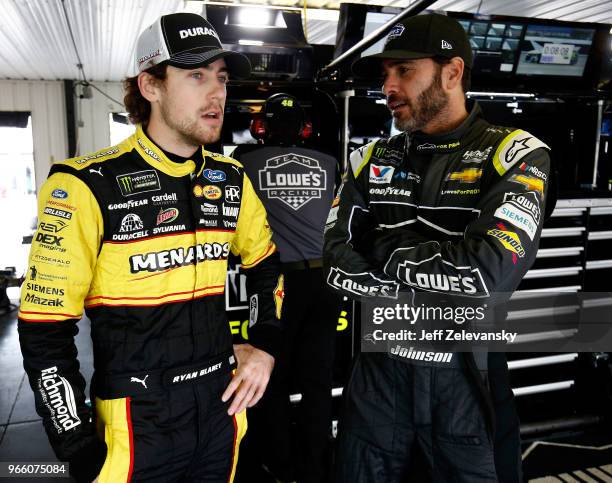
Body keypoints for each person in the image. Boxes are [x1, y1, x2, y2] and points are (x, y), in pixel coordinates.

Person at [18, 13, 284, 483]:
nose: (217, 93)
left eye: (221, 77)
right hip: (135, 425)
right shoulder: (84, 185)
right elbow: (44, 331)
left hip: (222, 411)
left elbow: (267, 268)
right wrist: (75, 443)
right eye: (196, 76)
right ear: (150, 86)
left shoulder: (230, 178)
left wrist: (262, 345)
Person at [324, 13, 553, 482]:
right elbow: (334, 262)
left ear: (452, 73)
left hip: (468, 381)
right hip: (377, 383)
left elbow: (484, 274)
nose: (387, 85)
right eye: (386, 72)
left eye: (404, 70)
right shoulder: (370, 159)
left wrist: (383, 248)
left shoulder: (515, 153)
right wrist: (433, 264)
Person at [233, 94, 341, 483]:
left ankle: (278, 464)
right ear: (305, 128)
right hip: (325, 281)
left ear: (262, 127)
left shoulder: (243, 163)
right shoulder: (330, 163)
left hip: (278, 281)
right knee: (318, 380)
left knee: (270, 373)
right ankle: (316, 466)